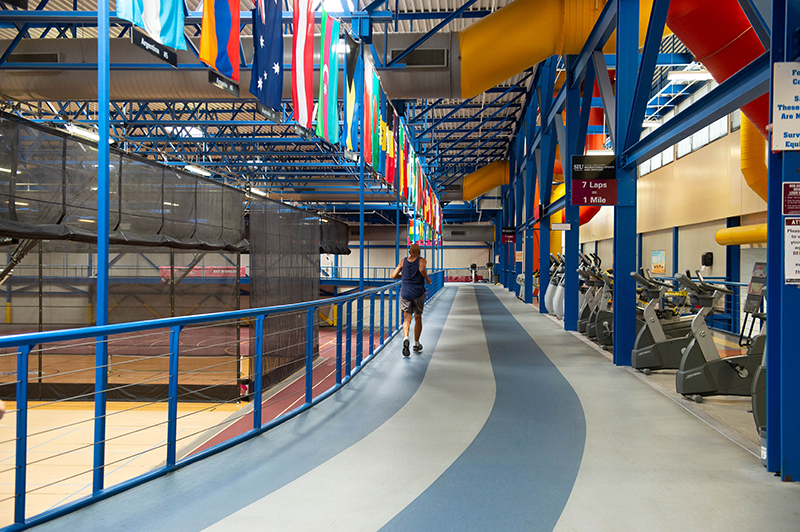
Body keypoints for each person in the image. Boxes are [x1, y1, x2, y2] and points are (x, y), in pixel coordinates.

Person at [391, 243, 432, 357]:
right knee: (418, 317)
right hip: (418, 294)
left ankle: (405, 338)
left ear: (409, 252)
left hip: (405, 294)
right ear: (419, 252)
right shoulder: (421, 260)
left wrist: (403, 275)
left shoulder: (403, 261)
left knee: (406, 319)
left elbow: (393, 276)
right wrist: (427, 279)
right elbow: (422, 269)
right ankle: (416, 344)